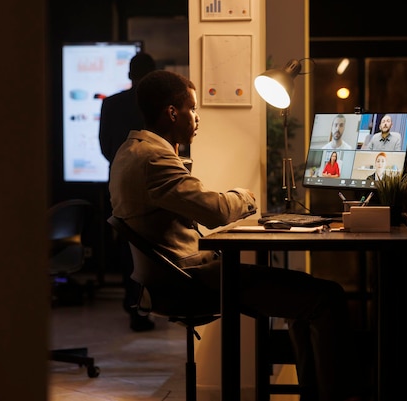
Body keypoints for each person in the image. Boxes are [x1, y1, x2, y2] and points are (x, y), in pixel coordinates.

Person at [109, 70, 363, 401]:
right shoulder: (154, 159)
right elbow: (215, 211)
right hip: (190, 279)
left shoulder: (130, 150)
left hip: (173, 276)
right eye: (193, 109)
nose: (197, 118)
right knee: (326, 296)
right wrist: (246, 195)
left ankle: (313, 394)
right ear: (173, 112)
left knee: (305, 300)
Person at [99, 52, 157, 332]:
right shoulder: (156, 105)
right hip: (152, 182)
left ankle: (132, 303)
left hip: (118, 182)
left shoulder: (111, 104)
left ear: (129, 75)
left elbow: (105, 147)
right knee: (151, 244)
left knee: (126, 245)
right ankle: (146, 304)